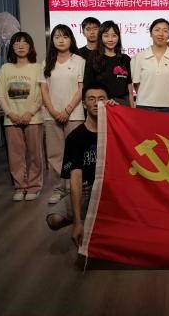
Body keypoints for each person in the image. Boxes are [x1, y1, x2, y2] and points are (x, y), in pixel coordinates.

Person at [46, 84, 117, 247]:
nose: (96, 103)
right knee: (54, 219)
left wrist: (119, 111)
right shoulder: (75, 137)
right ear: (84, 104)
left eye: (101, 99)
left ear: (108, 101)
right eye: (91, 99)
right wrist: (77, 222)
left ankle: (102, 222)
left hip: (112, 191)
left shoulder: (116, 131)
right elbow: (76, 178)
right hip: (87, 191)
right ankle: (87, 220)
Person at [0, 32, 44, 201]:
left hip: (33, 118)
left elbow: (42, 94)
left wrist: (30, 112)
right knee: (15, 156)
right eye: (16, 43)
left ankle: (34, 186)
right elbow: (0, 94)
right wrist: (10, 114)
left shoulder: (38, 68)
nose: (21, 46)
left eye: (24, 43)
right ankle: (20, 186)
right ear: (12, 47)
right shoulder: (5, 68)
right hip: (11, 119)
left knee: (35, 155)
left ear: (30, 47)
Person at [39, 24, 85, 204]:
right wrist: (53, 110)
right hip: (52, 115)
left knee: (75, 153)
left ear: (71, 39)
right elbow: (43, 89)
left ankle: (75, 188)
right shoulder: (47, 62)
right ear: (52, 40)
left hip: (74, 114)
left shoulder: (79, 61)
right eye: (57, 37)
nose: (61, 40)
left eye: (65, 37)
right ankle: (59, 189)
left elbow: (81, 89)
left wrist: (67, 110)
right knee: (55, 154)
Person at [131, 18, 169, 113]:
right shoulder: (139, 57)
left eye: (165, 31)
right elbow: (136, 84)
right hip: (143, 106)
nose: (161, 34)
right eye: (157, 30)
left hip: (168, 107)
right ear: (151, 33)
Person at [84, 21, 134, 107]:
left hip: (123, 105)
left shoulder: (125, 59)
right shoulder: (93, 58)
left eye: (114, 35)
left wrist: (132, 108)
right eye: (106, 36)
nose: (110, 39)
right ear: (101, 37)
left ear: (118, 37)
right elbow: (88, 86)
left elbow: (129, 89)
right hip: (102, 104)